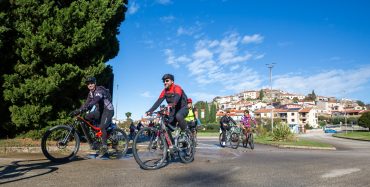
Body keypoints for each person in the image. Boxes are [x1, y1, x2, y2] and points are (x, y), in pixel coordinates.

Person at [75, 77, 114, 160]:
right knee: (85, 118)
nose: (90, 85)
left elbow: (96, 100)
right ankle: (94, 140)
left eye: (91, 83)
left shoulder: (100, 90)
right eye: (88, 84)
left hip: (108, 111)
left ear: (95, 83)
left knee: (102, 127)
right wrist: (78, 110)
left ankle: (104, 148)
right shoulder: (90, 93)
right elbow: (86, 104)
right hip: (100, 111)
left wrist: (89, 106)